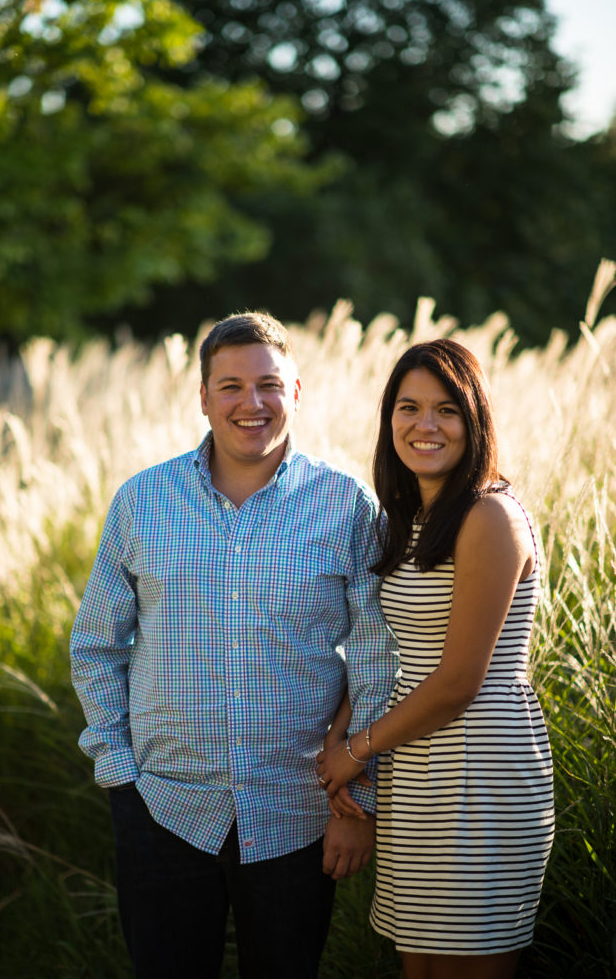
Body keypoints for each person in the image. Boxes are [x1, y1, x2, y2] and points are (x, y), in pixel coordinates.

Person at [70, 311, 398, 979]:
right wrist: (119, 773)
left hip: (297, 813)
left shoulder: (347, 507)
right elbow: (97, 643)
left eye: (269, 385)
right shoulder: (143, 502)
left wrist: (359, 801)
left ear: (297, 393)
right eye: (231, 386)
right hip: (161, 807)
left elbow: (376, 659)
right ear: (203, 397)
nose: (252, 403)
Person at [316, 338, 554, 979]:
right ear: (389, 417)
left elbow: (457, 681)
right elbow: (389, 651)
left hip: (479, 773)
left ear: (474, 419)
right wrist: (341, 736)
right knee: (419, 966)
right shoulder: (412, 518)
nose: (425, 424)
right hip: (417, 773)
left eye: (447, 409)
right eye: (408, 406)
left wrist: (357, 749)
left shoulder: (488, 516)